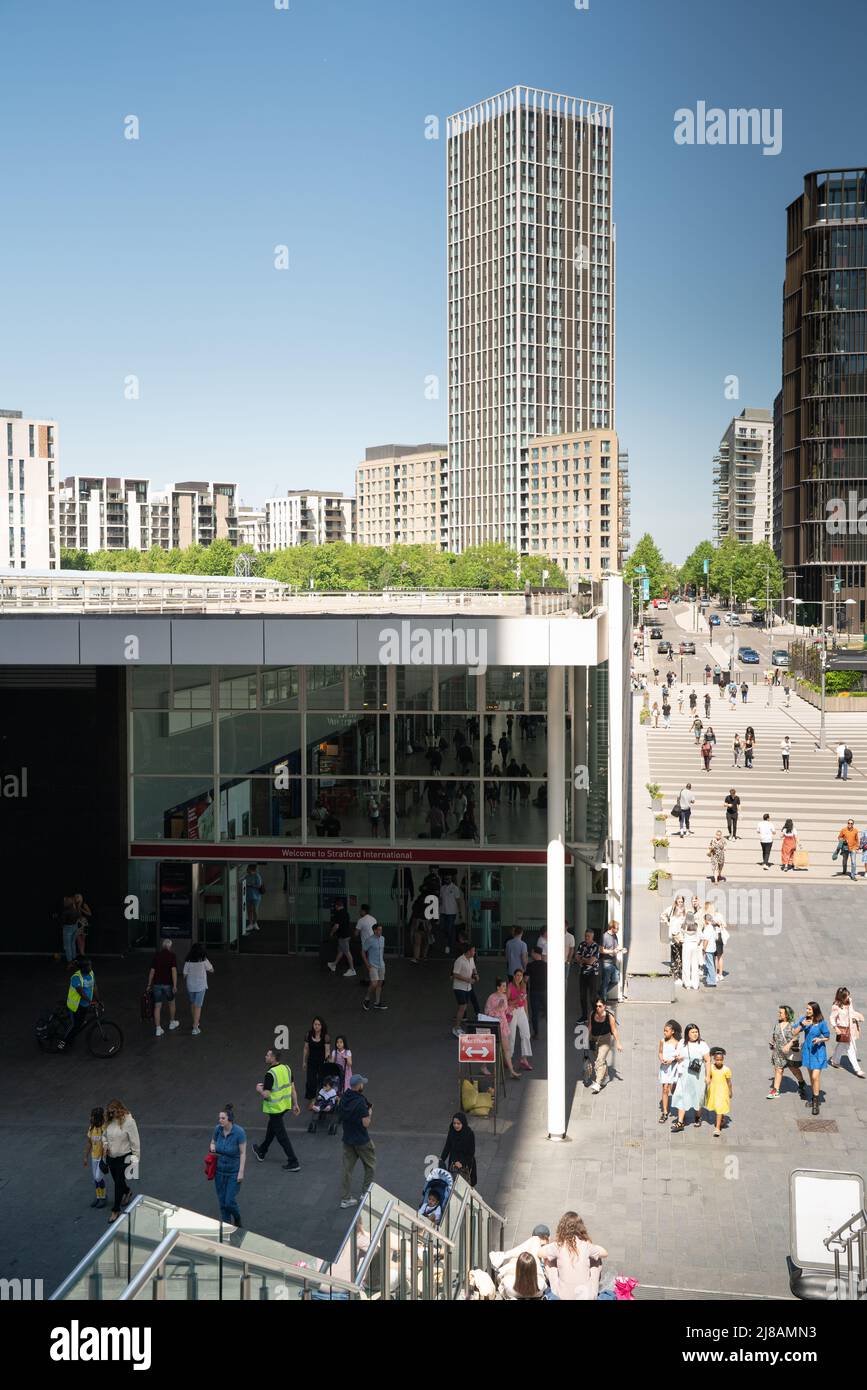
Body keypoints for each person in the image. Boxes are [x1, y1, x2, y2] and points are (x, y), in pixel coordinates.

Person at [252, 1047, 301, 1171]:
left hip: (275, 1109)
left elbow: (266, 1094)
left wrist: (259, 1089)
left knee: (281, 1135)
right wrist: (295, 1104)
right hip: (284, 1106)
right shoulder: (287, 1068)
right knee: (272, 1128)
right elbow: (292, 1088)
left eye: (268, 1055)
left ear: (273, 1058)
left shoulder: (270, 1074)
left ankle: (293, 1161)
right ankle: (262, 1151)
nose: (266, 1056)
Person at [540, 1212, 608, 1301]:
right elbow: (605, 1253)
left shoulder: (558, 1246)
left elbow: (540, 1253)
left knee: (550, 1259)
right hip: (587, 1297)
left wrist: (553, 1244)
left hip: (562, 1296)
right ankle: (593, 1285)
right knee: (596, 1259)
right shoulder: (586, 1246)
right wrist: (590, 1245)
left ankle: (552, 1282)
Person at [339, 1075, 376, 1208]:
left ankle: (345, 1198)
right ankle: (365, 1193)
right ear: (359, 1085)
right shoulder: (361, 1102)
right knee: (370, 1166)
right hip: (361, 1140)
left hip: (347, 1139)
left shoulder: (344, 1097)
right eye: (362, 1084)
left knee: (347, 1169)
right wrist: (369, 1112)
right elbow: (366, 1123)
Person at [103, 1098, 141, 1223]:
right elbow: (104, 1136)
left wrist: (135, 1161)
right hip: (111, 1157)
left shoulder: (129, 1122)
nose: (111, 1114)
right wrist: (105, 1145)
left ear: (119, 1110)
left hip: (124, 1157)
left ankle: (116, 1210)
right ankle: (127, 1191)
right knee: (117, 1181)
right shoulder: (108, 1121)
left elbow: (135, 1142)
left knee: (118, 1182)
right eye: (109, 1112)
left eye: (113, 1112)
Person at [790, 1003, 830, 1115]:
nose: (807, 1011)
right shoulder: (804, 1020)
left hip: (818, 1052)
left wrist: (820, 1039)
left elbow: (827, 1036)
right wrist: (801, 1025)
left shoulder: (821, 1022)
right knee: (811, 1078)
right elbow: (794, 1032)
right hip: (807, 1052)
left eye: (809, 1009)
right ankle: (813, 1097)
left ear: (815, 1010)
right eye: (806, 1009)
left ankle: (816, 1103)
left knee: (815, 1076)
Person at [210, 1104, 246, 1226]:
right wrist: (213, 1147)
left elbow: (242, 1153)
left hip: (233, 1172)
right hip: (219, 1171)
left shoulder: (239, 1132)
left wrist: (241, 1172)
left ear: (229, 1119)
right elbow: (213, 1142)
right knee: (222, 1202)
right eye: (219, 1118)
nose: (220, 1120)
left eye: (223, 1118)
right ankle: (227, 1227)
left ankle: (237, 1217)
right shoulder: (218, 1129)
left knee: (229, 1201)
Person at [671, 1023, 711, 1131]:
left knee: (698, 1095)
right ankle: (680, 1122)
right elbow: (677, 1055)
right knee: (682, 1096)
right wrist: (678, 1058)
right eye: (693, 1032)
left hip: (698, 1074)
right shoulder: (682, 1043)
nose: (695, 1034)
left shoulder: (702, 1044)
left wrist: (708, 1076)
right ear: (687, 1033)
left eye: (696, 1032)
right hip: (684, 1074)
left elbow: (707, 1061)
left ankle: (698, 1116)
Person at [767, 1004, 807, 1100]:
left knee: (794, 1070)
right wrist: (772, 1042)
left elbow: (796, 1037)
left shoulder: (792, 1025)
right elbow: (774, 1035)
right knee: (778, 1070)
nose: (779, 1014)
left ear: (786, 1015)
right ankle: (776, 1090)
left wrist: (788, 1045)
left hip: (790, 1052)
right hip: (778, 1053)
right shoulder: (777, 1025)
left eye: (781, 1012)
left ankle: (801, 1082)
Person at [484, 979, 521, 1080]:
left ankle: (511, 1071)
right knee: (491, 1048)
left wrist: (512, 1007)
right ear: (498, 987)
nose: (505, 988)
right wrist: (497, 1008)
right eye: (503, 986)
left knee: (506, 1049)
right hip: (494, 1026)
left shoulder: (504, 996)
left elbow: (505, 1010)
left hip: (503, 1025)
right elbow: (487, 1013)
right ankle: (484, 1066)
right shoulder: (491, 998)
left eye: (505, 986)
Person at [58, 954, 96, 1048]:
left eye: (90, 965)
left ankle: (71, 1035)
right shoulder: (76, 977)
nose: (90, 967)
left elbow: (95, 987)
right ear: (83, 968)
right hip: (75, 1006)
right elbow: (81, 992)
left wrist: (98, 1000)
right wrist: (90, 1001)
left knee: (79, 1023)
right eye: (88, 966)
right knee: (74, 1025)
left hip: (84, 1005)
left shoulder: (91, 973)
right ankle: (62, 1042)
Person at [147, 938, 180, 1038]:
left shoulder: (157, 955)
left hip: (157, 984)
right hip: (168, 984)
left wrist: (149, 984)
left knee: (157, 1006)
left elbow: (152, 971)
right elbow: (173, 971)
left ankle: (158, 1028)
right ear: (170, 946)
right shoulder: (172, 956)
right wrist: (174, 985)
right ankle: (172, 1022)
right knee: (171, 1003)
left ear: (163, 946)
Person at [829, 987, 865, 1078]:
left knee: (841, 1046)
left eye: (849, 995)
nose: (848, 997)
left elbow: (851, 1011)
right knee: (851, 1049)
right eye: (846, 996)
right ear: (841, 997)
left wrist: (857, 1016)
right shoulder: (836, 1007)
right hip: (842, 1029)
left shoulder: (849, 1001)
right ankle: (857, 1069)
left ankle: (834, 1061)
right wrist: (835, 1027)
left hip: (851, 1028)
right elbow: (832, 1018)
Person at [588, 997, 621, 1093]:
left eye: (600, 1006)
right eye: (596, 1006)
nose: (597, 1008)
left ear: (604, 1006)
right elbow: (590, 1027)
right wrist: (586, 1039)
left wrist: (618, 1042)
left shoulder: (609, 1016)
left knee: (599, 1061)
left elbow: (614, 1030)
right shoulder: (592, 1014)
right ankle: (605, 1077)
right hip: (594, 1039)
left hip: (605, 1040)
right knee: (598, 1060)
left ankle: (598, 1083)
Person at [183, 941, 213, 1035]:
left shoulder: (188, 961)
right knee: (198, 1006)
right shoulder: (204, 960)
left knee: (193, 1004)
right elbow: (211, 969)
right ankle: (195, 1027)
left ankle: (195, 1022)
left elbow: (184, 974)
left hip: (190, 986)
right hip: (200, 986)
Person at [440, 1111, 477, 1186]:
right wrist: (442, 1159)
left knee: (466, 1185)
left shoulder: (469, 1134)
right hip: (453, 1163)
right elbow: (448, 1146)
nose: (456, 1125)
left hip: (466, 1164)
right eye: (454, 1123)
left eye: (458, 1123)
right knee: (453, 1183)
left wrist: (462, 1163)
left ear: (463, 1123)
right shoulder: (452, 1131)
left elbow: (471, 1152)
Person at [508, 968, 533, 1071]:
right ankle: (508, 1058)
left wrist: (526, 1014)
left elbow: (525, 1000)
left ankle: (524, 1059)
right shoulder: (510, 986)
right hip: (513, 1011)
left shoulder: (523, 985)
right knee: (512, 1036)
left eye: (520, 975)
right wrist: (517, 1000)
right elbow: (507, 1002)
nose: (519, 977)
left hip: (521, 1010)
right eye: (517, 975)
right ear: (514, 976)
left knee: (526, 1034)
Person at [83, 1105, 107, 1209]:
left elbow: (107, 1143)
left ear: (97, 1117)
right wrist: (85, 1157)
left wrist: (103, 1157)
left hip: (103, 1158)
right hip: (94, 1157)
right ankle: (98, 1197)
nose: (90, 1118)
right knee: (95, 1179)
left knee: (98, 1177)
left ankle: (103, 1197)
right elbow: (89, 1143)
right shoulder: (91, 1128)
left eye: (92, 1116)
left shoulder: (104, 1129)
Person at [451, 943, 478, 1037]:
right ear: (468, 951)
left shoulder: (471, 959)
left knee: (464, 1007)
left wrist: (476, 974)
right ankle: (456, 1027)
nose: (474, 952)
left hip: (468, 987)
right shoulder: (459, 961)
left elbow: (474, 968)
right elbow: (455, 974)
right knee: (462, 1007)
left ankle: (458, 1027)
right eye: (473, 950)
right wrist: (468, 979)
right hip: (459, 987)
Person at [658, 1019, 682, 1123]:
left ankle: (679, 1109)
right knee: (665, 1089)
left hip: (674, 1068)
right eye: (664, 1030)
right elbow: (660, 1052)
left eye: (666, 1031)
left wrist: (671, 1060)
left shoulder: (677, 1043)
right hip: (664, 1068)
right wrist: (661, 1058)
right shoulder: (662, 1041)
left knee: (674, 1089)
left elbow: (679, 1056)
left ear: (672, 1031)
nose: (664, 1032)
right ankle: (665, 1112)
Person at [705, 1048, 733, 1137]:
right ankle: (722, 1119)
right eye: (717, 1060)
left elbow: (729, 1082)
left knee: (720, 1108)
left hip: (723, 1091)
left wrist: (730, 1091)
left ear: (723, 1059)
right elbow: (709, 1077)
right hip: (714, 1090)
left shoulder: (726, 1070)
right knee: (717, 1107)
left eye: (721, 1060)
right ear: (714, 1059)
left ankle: (717, 1128)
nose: (719, 1061)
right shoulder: (711, 1068)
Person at [362, 922, 388, 1011]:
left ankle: (377, 1003)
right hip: (372, 965)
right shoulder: (369, 940)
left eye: (381, 930)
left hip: (381, 965)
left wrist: (382, 961)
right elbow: (363, 952)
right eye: (379, 930)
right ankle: (367, 999)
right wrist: (367, 964)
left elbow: (381, 951)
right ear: (374, 930)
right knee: (374, 983)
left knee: (380, 984)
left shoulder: (383, 939)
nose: (380, 931)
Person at [302, 1017, 330, 1098]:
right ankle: (310, 1097)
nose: (316, 1026)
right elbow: (306, 1048)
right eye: (315, 1024)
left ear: (322, 1026)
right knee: (311, 1081)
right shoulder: (308, 1034)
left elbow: (327, 1050)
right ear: (313, 1025)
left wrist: (326, 1062)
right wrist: (304, 1061)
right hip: (311, 1061)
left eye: (318, 1024)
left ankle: (322, 1097)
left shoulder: (326, 1036)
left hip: (321, 1062)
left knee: (322, 1080)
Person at [327, 899, 357, 976]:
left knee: (347, 952)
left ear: (337, 906)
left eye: (335, 906)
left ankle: (352, 969)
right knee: (340, 951)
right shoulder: (346, 913)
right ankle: (333, 965)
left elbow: (336, 926)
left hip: (343, 936)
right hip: (346, 935)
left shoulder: (338, 913)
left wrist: (331, 933)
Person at [662, 895, 687, 985]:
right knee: (674, 956)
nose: (680, 903)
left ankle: (680, 974)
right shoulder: (671, 909)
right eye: (678, 901)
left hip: (681, 937)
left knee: (681, 956)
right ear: (676, 901)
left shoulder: (685, 910)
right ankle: (675, 975)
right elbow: (663, 915)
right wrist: (668, 923)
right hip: (673, 936)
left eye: (681, 901)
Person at [576, 928, 600, 1021]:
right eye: (585, 936)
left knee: (592, 996)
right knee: (582, 995)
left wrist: (583, 959)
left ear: (592, 937)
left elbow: (591, 961)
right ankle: (584, 1016)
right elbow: (576, 957)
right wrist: (585, 959)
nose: (586, 938)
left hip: (592, 973)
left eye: (588, 936)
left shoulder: (595, 946)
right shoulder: (582, 944)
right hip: (582, 973)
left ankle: (595, 1015)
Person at [438, 873, 464, 956]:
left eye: (448, 878)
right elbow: (441, 900)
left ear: (451, 879)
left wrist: (460, 912)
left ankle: (448, 945)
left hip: (451, 912)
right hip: (443, 912)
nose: (447, 880)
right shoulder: (442, 888)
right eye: (445, 879)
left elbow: (458, 901)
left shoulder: (455, 888)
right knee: (442, 928)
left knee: (449, 929)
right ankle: (446, 942)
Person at [527, 944, 547, 1038]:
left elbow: (526, 979)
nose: (531, 954)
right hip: (544, 991)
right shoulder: (546, 965)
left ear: (535, 953)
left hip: (534, 991)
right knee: (547, 1012)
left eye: (532, 952)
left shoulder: (530, 965)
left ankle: (536, 1033)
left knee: (535, 1013)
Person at [599, 920, 621, 1003]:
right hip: (606, 962)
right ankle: (603, 1000)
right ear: (612, 928)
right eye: (617, 928)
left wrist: (619, 949)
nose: (618, 930)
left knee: (615, 980)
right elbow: (601, 950)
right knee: (605, 982)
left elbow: (616, 946)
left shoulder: (615, 936)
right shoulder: (604, 936)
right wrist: (612, 951)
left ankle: (601, 993)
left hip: (613, 962)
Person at [680, 911, 703, 990]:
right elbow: (701, 937)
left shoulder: (683, 926)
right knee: (695, 965)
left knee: (686, 964)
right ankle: (695, 984)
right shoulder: (696, 926)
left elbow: (681, 936)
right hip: (694, 945)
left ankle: (687, 984)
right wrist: (698, 943)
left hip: (686, 945)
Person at [243, 864, 264, 934]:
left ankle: (255, 923)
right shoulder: (247, 876)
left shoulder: (257, 876)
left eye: (248, 868)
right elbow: (242, 882)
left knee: (255, 910)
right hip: (248, 896)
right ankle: (250, 923)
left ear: (252, 869)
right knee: (249, 910)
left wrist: (250, 885)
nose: (247, 870)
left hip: (256, 896)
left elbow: (259, 885)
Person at [700, 913, 718, 986]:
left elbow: (706, 940)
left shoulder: (708, 928)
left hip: (708, 949)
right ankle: (709, 979)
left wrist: (703, 949)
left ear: (706, 920)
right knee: (710, 964)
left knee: (710, 965)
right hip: (713, 948)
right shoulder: (713, 927)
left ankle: (712, 981)